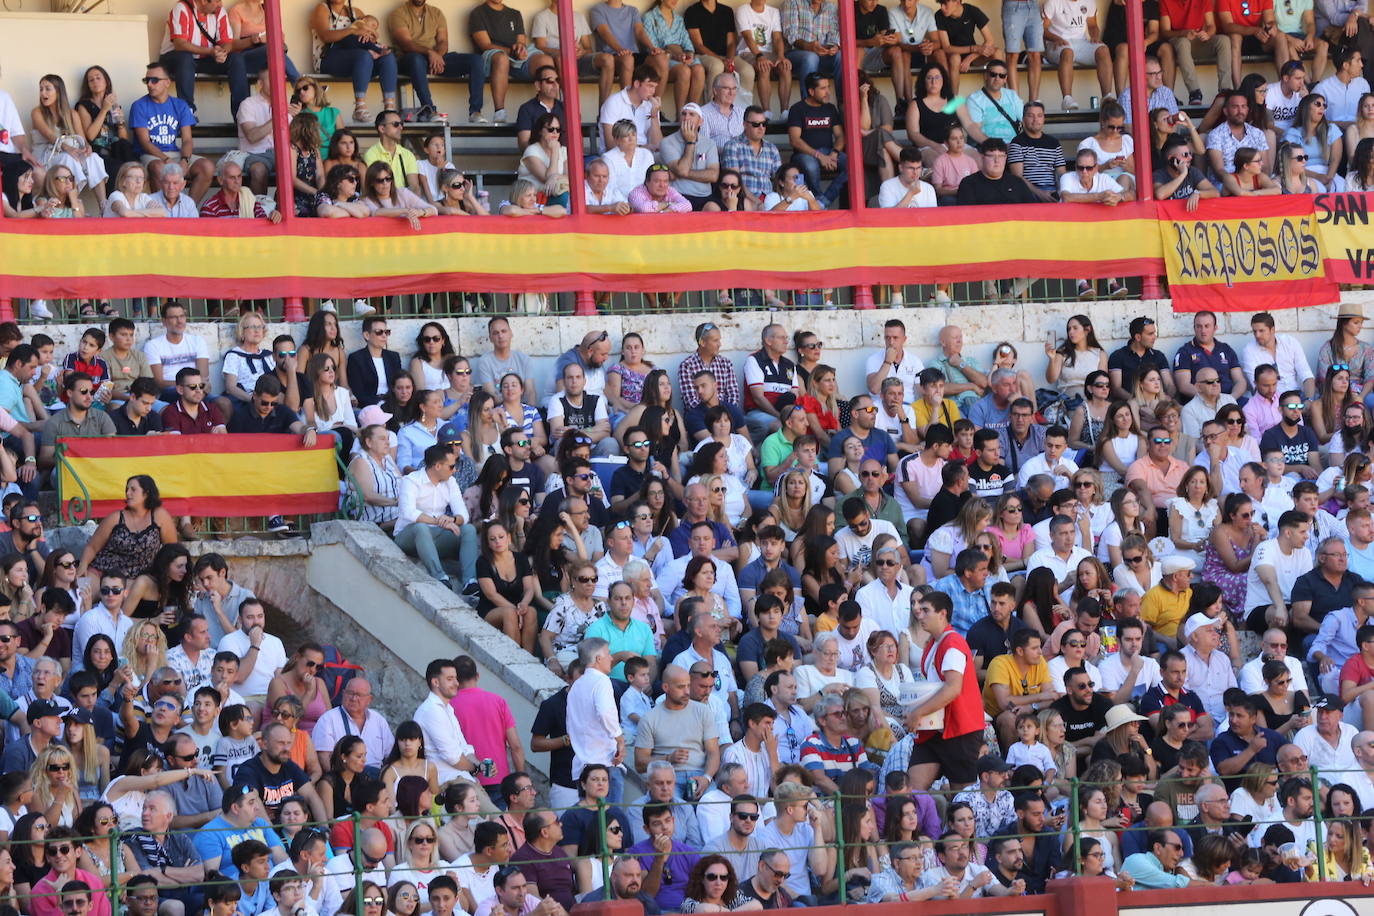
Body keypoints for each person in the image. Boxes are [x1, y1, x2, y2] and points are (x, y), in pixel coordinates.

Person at [785, 74, 846, 207]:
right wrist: (819, 156)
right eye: (823, 88)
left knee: (853, 164)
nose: (828, 92)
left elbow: (840, 135)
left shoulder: (830, 108)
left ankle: (823, 201)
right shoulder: (797, 109)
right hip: (804, 154)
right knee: (811, 166)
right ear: (811, 91)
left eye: (828, 87)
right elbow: (794, 140)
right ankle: (817, 198)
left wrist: (834, 153)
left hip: (829, 152)